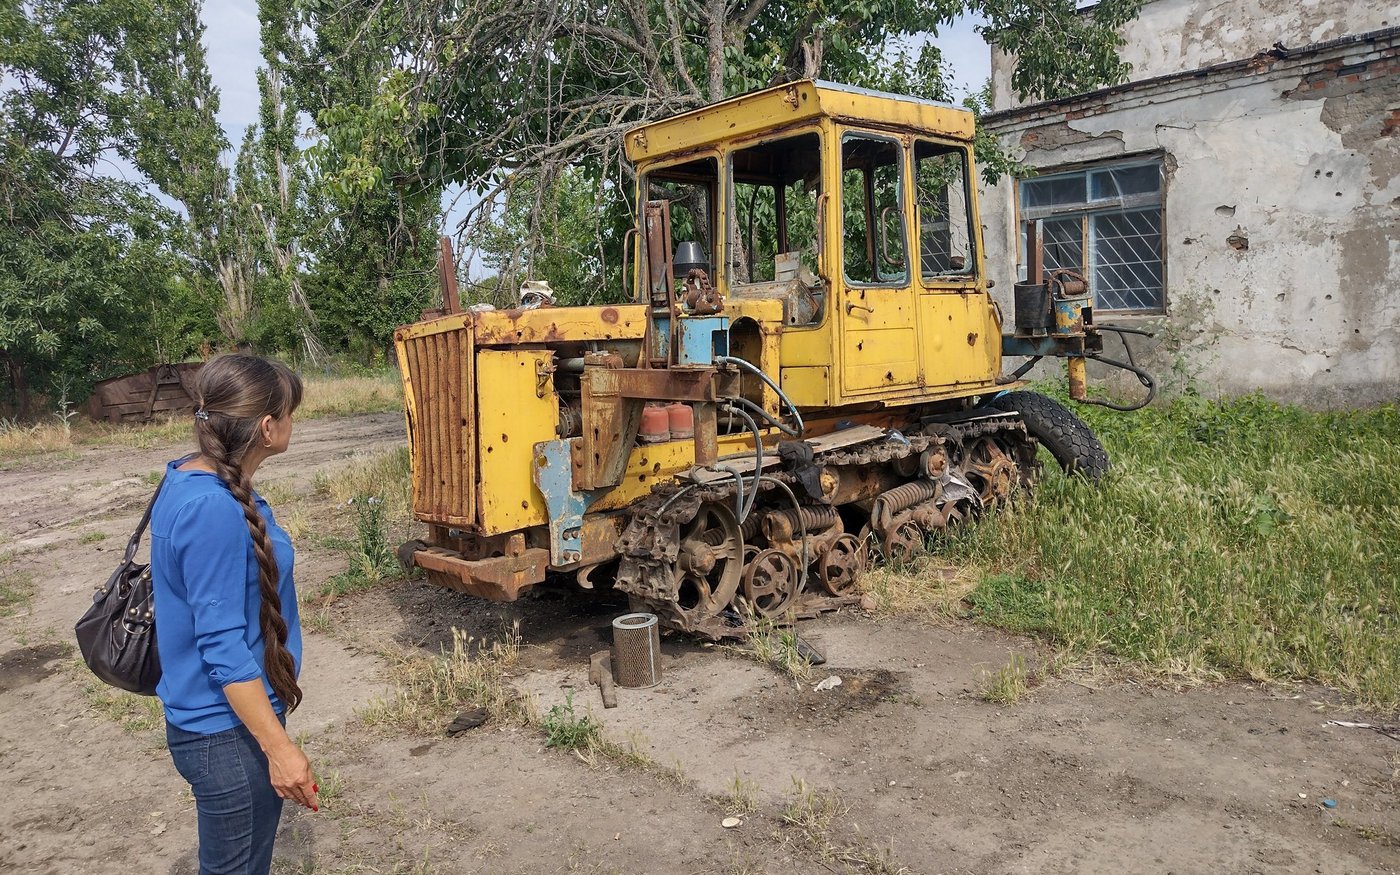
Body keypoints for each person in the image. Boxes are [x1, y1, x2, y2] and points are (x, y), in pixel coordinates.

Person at [151, 354, 318, 875]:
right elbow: (222, 646)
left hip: (224, 724)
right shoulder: (213, 508)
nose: (292, 422)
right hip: (227, 733)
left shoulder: (196, 478)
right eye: (289, 413)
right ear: (267, 427)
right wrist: (280, 750)